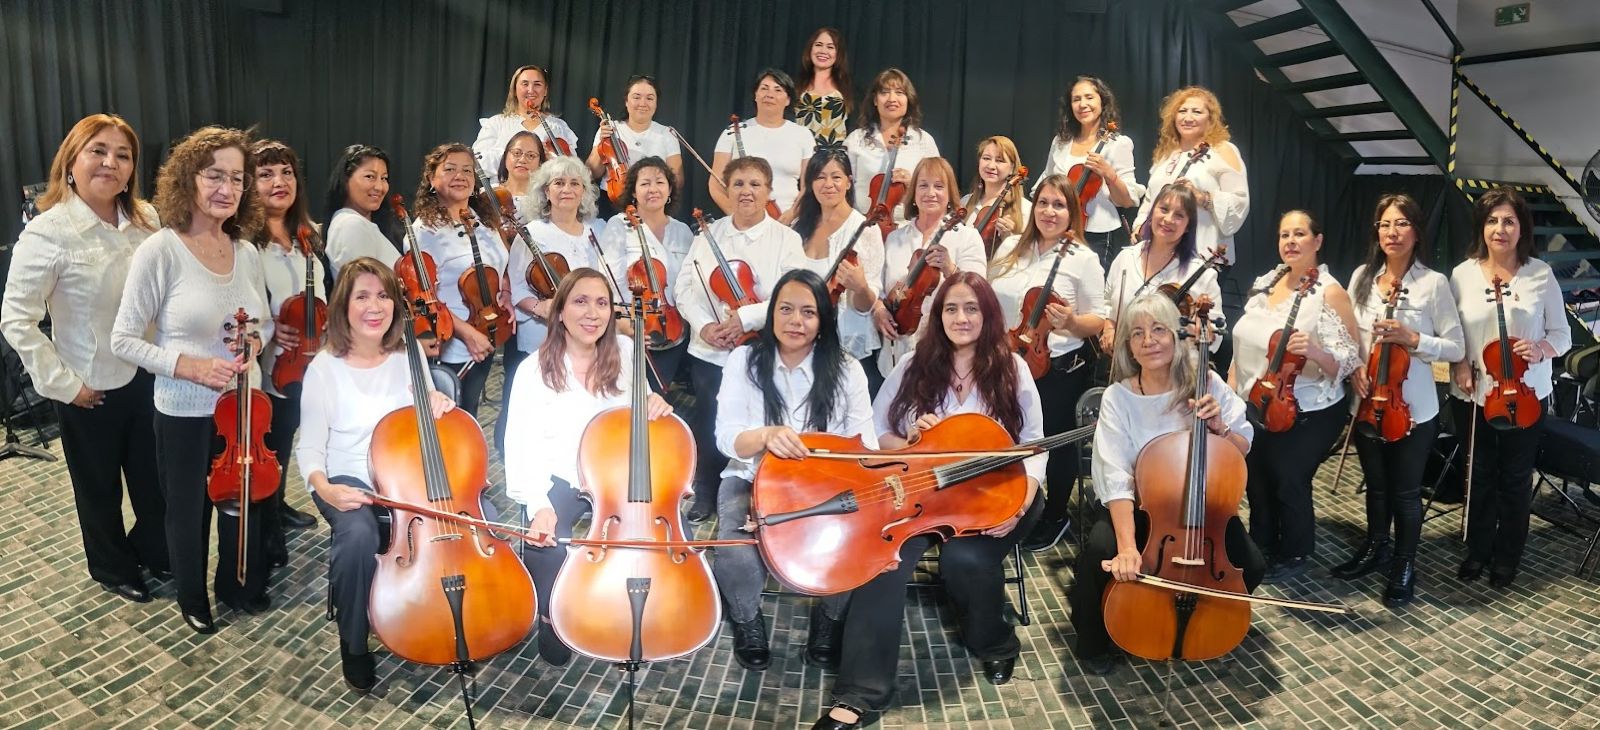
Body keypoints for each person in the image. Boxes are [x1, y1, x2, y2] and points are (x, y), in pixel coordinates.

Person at [810, 273, 1043, 730]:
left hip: (999, 490)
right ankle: (860, 692)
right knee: (886, 560)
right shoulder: (915, 364)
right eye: (952, 308)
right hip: (926, 495)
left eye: (972, 308)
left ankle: (995, 642)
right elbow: (877, 435)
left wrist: (1021, 502)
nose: (961, 317)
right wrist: (913, 443)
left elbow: (1034, 444)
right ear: (938, 316)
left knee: (966, 560)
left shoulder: (1011, 367)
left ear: (988, 315)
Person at [110, 126, 274, 633]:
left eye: (237, 179)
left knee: (238, 501)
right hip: (184, 408)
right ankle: (192, 595)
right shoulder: (160, 250)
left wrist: (254, 345)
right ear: (189, 179)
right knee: (187, 510)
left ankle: (234, 583)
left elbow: (263, 322)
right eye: (214, 175)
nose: (227, 188)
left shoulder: (245, 251)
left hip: (244, 405)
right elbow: (123, 340)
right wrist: (191, 366)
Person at [0, 113, 168, 603]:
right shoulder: (48, 232)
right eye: (98, 150)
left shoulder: (147, 220)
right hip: (89, 387)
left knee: (155, 483)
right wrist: (64, 385)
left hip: (148, 377)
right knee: (99, 491)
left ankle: (153, 551)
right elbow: (16, 319)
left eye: (123, 154)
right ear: (71, 162)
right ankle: (111, 567)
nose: (111, 162)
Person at [1068, 293, 1261, 675]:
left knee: (1251, 566)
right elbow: (1115, 475)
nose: (1148, 340)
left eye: (1158, 329)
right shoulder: (1118, 397)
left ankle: (1195, 620)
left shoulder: (1205, 382)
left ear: (1176, 335)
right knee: (1100, 554)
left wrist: (1220, 428)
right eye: (1137, 333)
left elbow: (1240, 445)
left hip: (1201, 513)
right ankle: (1095, 642)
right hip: (1140, 507)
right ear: (1128, 347)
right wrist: (1126, 548)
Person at [296, 257, 455, 693]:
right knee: (359, 538)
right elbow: (309, 446)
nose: (375, 305)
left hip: (408, 473)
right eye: (362, 295)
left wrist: (441, 406)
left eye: (384, 295)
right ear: (343, 306)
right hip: (349, 478)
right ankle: (354, 642)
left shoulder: (410, 356)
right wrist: (325, 487)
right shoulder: (324, 369)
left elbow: (432, 418)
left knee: (474, 519)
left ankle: (453, 616)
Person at [502, 268, 673, 667]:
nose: (592, 312)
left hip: (614, 476)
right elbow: (519, 444)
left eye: (601, 303)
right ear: (559, 311)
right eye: (580, 301)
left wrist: (655, 406)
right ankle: (552, 616)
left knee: (635, 538)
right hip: (560, 474)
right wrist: (537, 502)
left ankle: (621, 612)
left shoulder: (627, 358)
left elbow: (643, 410)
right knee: (546, 537)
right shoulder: (533, 369)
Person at [712, 269, 874, 674]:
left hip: (825, 485)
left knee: (854, 544)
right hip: (750, 476)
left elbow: (864, 445)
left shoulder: (847, 368)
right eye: (785, 309)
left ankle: (829, 622)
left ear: (823, 321)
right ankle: (747, 622)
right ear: (771, 314)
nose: (795, 322)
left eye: (808, 312)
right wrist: (766, 435)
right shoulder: (743, 360)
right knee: (735, 553)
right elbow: (725, 436)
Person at [1339, 193, 1464, 607]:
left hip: (1414, 408)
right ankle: (1376, 548)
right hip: (1368, 399)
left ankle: (1405, 563)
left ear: (1416, 231)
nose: (1392, 233)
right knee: (1376, 487)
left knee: (1407, 493)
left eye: (1401, 224)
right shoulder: (1361, 277)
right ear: (1376, 232)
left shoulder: (1433, 283)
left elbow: (1455, 347)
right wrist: (1353, 366)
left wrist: (1414, 339)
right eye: (1385, 224)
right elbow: (1349, 336)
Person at [1449, 187, 1571, 588]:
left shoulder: (1540, 274)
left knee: (1516, 477)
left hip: (1524, 393)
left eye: (1508, 221)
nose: (1499, 229)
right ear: (1481, 227)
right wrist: (1459, 363)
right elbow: (1453, 334)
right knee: (1479, 473)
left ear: (1522, 228)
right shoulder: (1462, 274)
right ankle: (1478, 549)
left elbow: (1563, 335)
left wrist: (1538, 348)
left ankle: (1507, 555)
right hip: (1475, 392)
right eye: (1491, 220)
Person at [1229, 210, 1359, 583]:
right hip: (1257, 398)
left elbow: (1348, 362)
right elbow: (1243, 341)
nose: (1290, 241)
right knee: (1254, 474)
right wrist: (1233, 386)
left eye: (1299, 234)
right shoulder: (1266, 281)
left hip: (1309, 407)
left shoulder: (1329, 293)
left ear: (1317, 241)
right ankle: (1262, 542)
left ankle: (1297, 550)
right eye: (1284, 234)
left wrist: (1315, 352)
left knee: (1287, 476)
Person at [672, 157, 802, 523]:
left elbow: (787, 295)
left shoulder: (787, 239)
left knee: (763, 418)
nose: (746, 191)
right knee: (710, 417)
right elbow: (685, 288)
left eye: (755, 184)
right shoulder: (707, 236)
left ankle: (764, 489)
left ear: (769, 191)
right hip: (711, 349)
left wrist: (744, 318)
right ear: (726, 191)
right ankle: (706, 487)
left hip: (762, 346)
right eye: (739, 184)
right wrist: (704, 326)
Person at [987, 175, 1106, 552]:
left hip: (1056, 368)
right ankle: (1007, 503)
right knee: (1008, 437)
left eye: (1059, 205)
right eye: (1043, 203)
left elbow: (1098, 319)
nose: (1049, 212)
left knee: (1051, 445)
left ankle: (1054, 514)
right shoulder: (1010, 247)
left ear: (1073, 213)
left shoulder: (1083, 259)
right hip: (1007, 360)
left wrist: (1071, 322)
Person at [243, 139, 328, 568]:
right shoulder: (245, 245)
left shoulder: (308, 234)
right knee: (270, 447)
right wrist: (276, 332)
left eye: (287, 173)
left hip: (311, 363)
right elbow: (247, 307)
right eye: (266, 174)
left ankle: (278, 505)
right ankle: (268, 527)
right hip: (272, 366)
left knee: (291, 438)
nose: (280, 182)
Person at [409, 143, 512, 417]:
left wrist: (506, 294)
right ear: (432, 179)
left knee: (471, 411)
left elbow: (500, 265)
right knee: (450, 420)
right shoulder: (424, 231)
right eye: (450, 169)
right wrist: (467, 334)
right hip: (452, 344)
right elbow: (422, 296)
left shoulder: (483, 219)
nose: (461, 175)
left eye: (467, 170)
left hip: (487, 331)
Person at [785, 149, 885, 395]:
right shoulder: (798, 228)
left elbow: (866, 306)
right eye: (819, 177)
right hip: (802, 343)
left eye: (836, 177)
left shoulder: (865, 229)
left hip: (847, 350)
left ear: (849, 182)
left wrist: (860, 287)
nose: (828, 184)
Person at [875, 156, 988, 368]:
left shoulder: (967, 237)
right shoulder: (895, 238)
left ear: (949, 194)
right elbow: (880, 290)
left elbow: (980, 295)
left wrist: (950, 269)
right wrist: (879, 310)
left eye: (939, 186)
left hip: (948, 354)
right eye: (923, 185)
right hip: (896, 354)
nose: (930, 193)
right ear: (914, 194)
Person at [599, 156, 695, 387]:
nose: (653, 189)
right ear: (633, 192)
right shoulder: (618, 225)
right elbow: (605, 280)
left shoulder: (683, 231)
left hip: (673, 332)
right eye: (644, 183)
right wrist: (621, 322)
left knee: (656, 403)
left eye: (660, 182)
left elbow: (691, 283)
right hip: (628, 329)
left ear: (670, 189)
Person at [1132, 86, 1248, 266]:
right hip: (1159, 254)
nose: (1188, 117)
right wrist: (1139, 226)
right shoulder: (1165, 154)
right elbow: (1150, 199)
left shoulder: (1223, 149)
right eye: (1182, 111)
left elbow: (1240, 201)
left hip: (1202, 256)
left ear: (1210, 119)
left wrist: (1203, 198)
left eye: (1196, 112)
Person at [1101, 183, 1223, 352]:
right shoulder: (1125, 258)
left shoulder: (1201, 274)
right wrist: (1109, 329)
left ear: (1188, 226)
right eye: (1164, 209)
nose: (1168, 219)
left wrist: (1204, 332)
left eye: (1179, 215)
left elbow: (1215, 337)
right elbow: (1107, 303)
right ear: (1152, 213)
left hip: (1174, 371)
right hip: (1122, 364)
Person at [1037, 77, 1143, 269]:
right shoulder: (1060, 142)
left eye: (1089, 97)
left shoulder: (1119, 144)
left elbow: (1127, 200)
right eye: (1076, 99)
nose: (1082, 104)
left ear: (1102, 101)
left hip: (1098, 234)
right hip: (1058, 227)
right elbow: (1046, 183)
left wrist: (1108, 173)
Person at [710, 68, 816, 219]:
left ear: (788, 100)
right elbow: (715, 185)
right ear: (755, 95)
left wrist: (791, 215)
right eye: (764, 88)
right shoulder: (732, 132)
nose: (770, 94)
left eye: (778, 90)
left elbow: (809, 186)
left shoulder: (803, 134)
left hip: (789, 220)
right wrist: (737, 216)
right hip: (743, 219)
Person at [843, 68, 940, 229]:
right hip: (863, 226)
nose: (892, 98)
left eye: (899, 92)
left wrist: (912, 183)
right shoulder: (856, 140)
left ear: (908, 99)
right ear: (875, 100)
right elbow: (844, 187)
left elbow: (938, 188)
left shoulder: (924, 141)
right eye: (885, 92)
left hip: (909, 227)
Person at [472, 64, 580, 183]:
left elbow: (573, 172)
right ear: (514, 90)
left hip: (544, 197)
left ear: (545, 91)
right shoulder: (496, 123)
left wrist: (549, 161)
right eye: (525, 84)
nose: (531, 90)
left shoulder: (559, 127)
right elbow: (477, 165)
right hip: (502, 196)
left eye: (537, 84)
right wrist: (516, 153)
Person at [586, 75, 684, 188]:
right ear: (626, 102)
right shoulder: (609, 128)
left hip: (651, 199)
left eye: (650, 98)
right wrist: (602, 143)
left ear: (656, 103)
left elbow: (677, 179)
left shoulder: (667, 134)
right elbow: (592, 173)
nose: (643, 103)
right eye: (636, 97)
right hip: (611, 199)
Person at [323, 144, 397, 274]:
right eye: (369, 177)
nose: (379, 187)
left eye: (384, 178)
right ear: (346, 180)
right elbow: (365, 287)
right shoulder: (351, 225)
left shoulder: (361, 224)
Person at [960, 136, 1032, 259]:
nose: (991, 166)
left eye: (1000, 160)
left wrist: (1009, 238)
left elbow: (1028, 258)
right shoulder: (965, 202)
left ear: (1012, 168)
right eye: (986, 158)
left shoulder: (1026, 209)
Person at [793, 27, 854, 145]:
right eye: (818, 45)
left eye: (830, 47)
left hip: (835, 160)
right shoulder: (795, 86)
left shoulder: (849, 89)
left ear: (838, 53)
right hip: (800, 156)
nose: (823, 51)